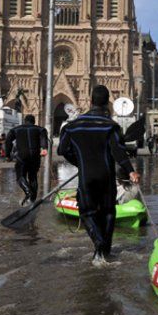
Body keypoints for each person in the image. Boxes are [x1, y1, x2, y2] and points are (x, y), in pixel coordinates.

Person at [57, 85, 141, 264]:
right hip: (106, 176)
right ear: (106, 103)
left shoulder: (72, 126)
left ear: (91, 100)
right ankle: (105, 252)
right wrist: (130, 171)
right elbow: (119, 152)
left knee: (87, 212)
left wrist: (79, 161)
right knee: (109, 212)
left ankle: (98, 245)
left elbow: (62, 149)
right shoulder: (111, 126)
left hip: (86, 176)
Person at [5, 115, 48, 206]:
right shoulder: (40, 129)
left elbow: (8, 141)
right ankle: (32, 200)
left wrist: (8, 155)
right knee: (33, 177)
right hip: (35, 156)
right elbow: (43, 139)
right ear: (34, 121)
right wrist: (44, 148)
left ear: (25, 121)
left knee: (20, 177)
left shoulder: (15, 129)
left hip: (22, 156)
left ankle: (28, 193)